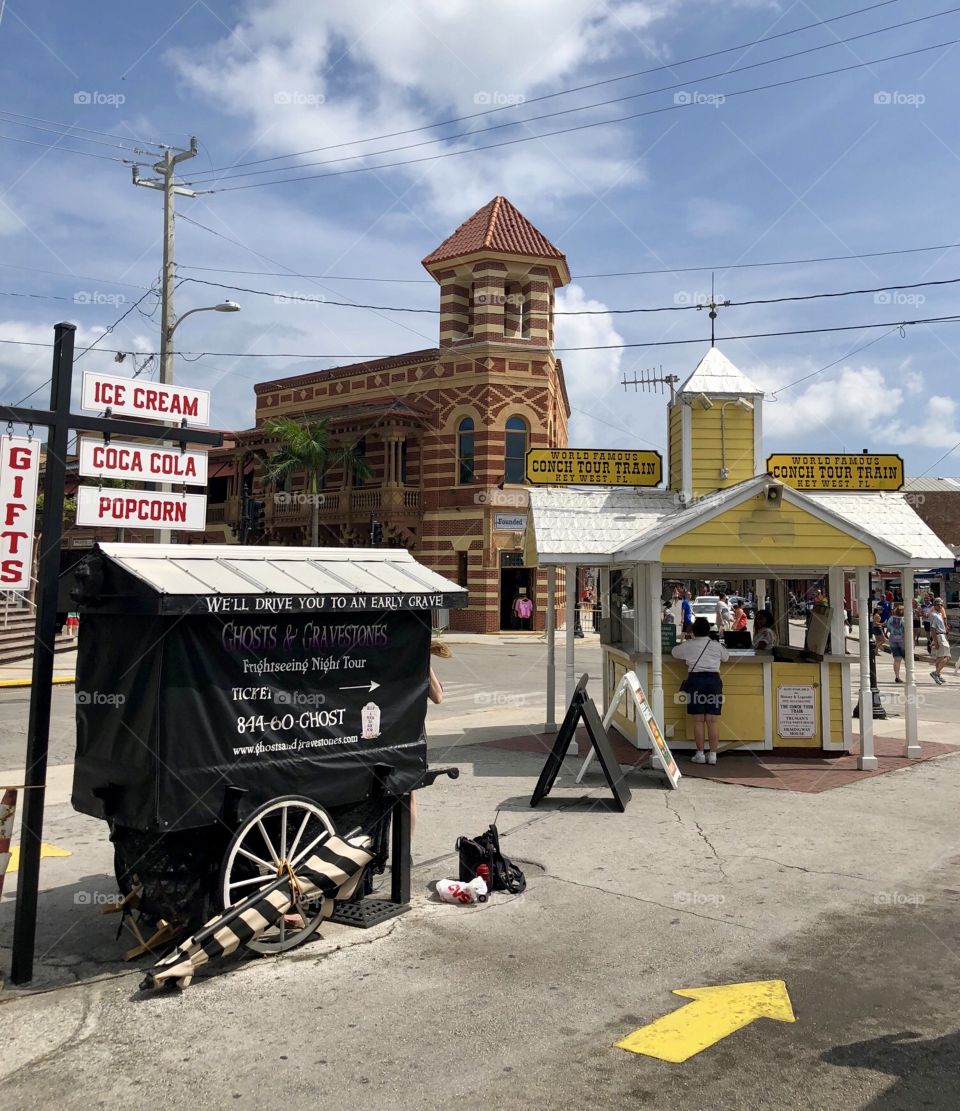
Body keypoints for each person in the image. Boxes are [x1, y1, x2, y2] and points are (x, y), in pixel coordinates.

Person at [671, 616, 730, 765]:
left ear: (694, 631)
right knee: (712, 720)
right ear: (708, 631)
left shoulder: (689, 645)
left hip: (696, 680)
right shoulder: (716, 645)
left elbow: (674, 652)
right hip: (714, 682)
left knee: (698, 719)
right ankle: (713, 755)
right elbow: (726, 657)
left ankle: (700, 753)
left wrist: (685, 636)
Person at [929, 599, 951, 685]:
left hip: (942, 635)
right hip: (939, 636)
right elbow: (933, 629)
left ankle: (937, 674)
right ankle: (936, 673)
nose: (940, 606)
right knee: (947, 656)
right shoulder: (934, 615)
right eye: (938, 605)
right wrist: (935, 642)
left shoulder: (940, 614)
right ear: (934, 605)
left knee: (940, 657)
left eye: (941, 605)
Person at [885, 604, 906, 683]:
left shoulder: (891, 619)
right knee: (907, 658)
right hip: (902, 640)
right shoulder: (904, 619)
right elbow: (906, 630)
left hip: (893, 638)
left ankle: (897, 676)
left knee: (897, 659)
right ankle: (909, 676)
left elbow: (889, 628)